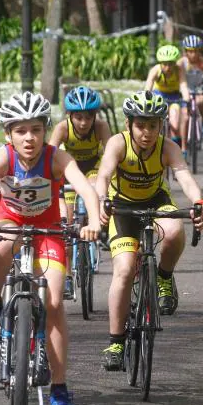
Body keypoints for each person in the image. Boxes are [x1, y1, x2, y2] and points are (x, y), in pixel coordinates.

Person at [0, 91, 101, 405]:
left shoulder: (56, 158)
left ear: (45, 130)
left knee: (53, 302)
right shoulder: (3, 157)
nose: (29, 137)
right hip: (12, 221)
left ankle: (60, 392)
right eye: (20, 130)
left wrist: (92, 221)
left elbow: (85, 188)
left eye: (35, 129)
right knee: (3, 241)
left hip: (49, 229)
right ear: (9, 134)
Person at [94, 90, 203, 371]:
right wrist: (100, 201)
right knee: (123, 271)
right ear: (129, 124)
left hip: (156, 202)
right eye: (141, 125)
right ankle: (116, 341)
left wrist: (199, 203)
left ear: (161, 126)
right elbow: (104, 174)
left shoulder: (167, 147)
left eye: (153, 125)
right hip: (122, 208)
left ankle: (164, 277)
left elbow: (185, 177)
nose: (147, 132)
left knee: (173, 230)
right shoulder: (118, 144)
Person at [49, 85, 112, 297]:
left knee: (96, 188)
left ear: (95, 115)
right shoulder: (62, 128)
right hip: (70, 171)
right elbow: (49, 156)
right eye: (78, 117)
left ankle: (102, 228)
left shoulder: (100, 127)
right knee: (65, 224)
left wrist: (107, 180)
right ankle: (67, 276)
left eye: (88, 117)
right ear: (70, 116)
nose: (83, 123)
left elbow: (111, 156)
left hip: (93, 168)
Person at [144, 44, 191, 156]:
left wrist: (186, 100)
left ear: (175, 63)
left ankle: (176, 148)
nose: (168, 68)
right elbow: (148, 86)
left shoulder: (179, 70)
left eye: (170, 64)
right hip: (159, 96)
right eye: (164, 64)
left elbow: (183, 86)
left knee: (174, 125)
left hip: (174, 97)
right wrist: (147, 98)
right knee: (153, 121)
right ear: (160, 63)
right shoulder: (155, 70)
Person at [179, 34, 203, 137]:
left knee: (200, 102)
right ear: (186, 51)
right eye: (190, 51)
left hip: (199, 86)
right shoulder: (182, 62)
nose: (193, 54)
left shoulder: (202, 62)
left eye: (196, 51)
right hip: (186, 87)